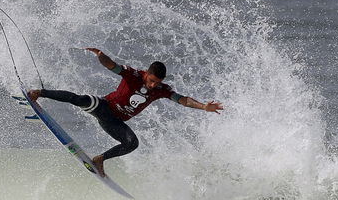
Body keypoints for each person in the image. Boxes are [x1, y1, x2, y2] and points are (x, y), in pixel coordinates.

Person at [28, 47, 223, 176]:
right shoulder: (134, 75)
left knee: (132, 143)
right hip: (104, 107)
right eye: (152, 80)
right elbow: (111, 65)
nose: (154, 85)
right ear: (147, 73)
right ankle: (39, 92)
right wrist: (100, 55)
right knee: (79, 99)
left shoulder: (162, 90)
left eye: (157, 82)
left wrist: (203, 107)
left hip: (115, 122)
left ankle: (99, 159)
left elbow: (182, 99)